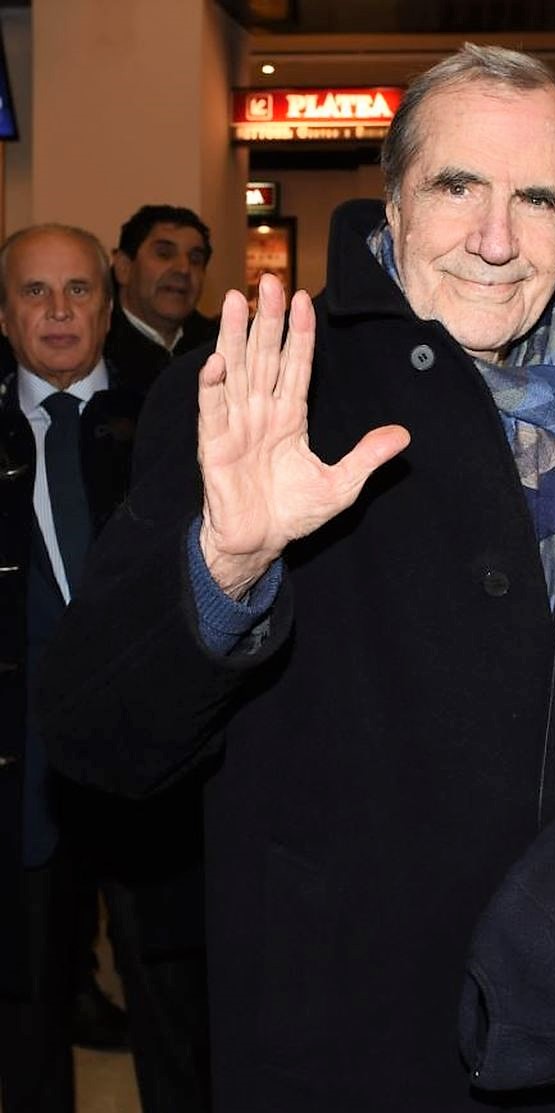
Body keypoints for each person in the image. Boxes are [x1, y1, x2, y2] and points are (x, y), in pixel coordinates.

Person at [40, 45, 555, 1113]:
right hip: (345, 1031)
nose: (495, 239)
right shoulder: (264, 384)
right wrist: (228, 564)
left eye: (536, 198)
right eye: (458, 186)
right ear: (395, 200)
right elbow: (97, 737)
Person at [0, 223, 141, 1111]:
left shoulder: (173, 419)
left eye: (77, 290)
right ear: (4, 315)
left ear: (108, 305)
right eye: (34, 292)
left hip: (154, 781)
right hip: (21, 786)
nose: (57, 311)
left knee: (180, 1018)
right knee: (26, 1027)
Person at [106, 204, 216, 390]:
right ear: (124, 267)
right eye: (164, 254)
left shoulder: (218, 348)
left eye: (195, 260)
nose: (183, 269)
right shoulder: (92, 348)